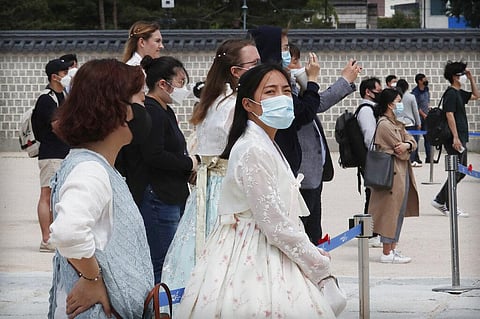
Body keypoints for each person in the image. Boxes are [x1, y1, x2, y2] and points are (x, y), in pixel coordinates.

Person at [177, 63, 335, 318]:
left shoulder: (264, 141)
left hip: (265, 245)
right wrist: (316, 262)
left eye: (285, 90)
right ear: (248, 104)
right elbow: (274, 225)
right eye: (269, 92)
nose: (281, 98)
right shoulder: (253, 149)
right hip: (255, 250)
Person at [47, 59, 154, 318]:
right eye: (139, 100)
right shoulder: (90, 170)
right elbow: (68, 232)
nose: (143, 109)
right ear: (117, 109)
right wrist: (92, 278)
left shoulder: (97, 165)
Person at [161, 39, 260, 296]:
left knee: (198, 248)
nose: (261, 68)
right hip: (228, 185)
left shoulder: (214, 100)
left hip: (207, 186)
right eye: (255, 64)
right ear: (236, 71)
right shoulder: (236, 104)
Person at [139, 55, 198, 284]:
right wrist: (189, 163)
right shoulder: (152, 111)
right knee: (162, 262)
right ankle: (158, 309)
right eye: (181, 82)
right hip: (158, 197)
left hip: (172, 192)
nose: (184, 88)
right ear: (163, 84)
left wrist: (187, 172)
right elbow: (154, 155)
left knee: (173, 259)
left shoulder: (165, 110)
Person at [368, 88, 419, 264]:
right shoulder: (384, 125)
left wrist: (407, 145)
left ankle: (393, 248)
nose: (400, 104)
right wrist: (406, 147)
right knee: (390, 213)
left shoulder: (396, 122)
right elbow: (402, 152)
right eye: (398, 100)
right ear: (390, 104)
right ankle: (387, 251)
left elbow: (410, 142)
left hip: (401, 173)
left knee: (399, 212)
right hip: (391, 174)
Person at [31, 58, 72, 252]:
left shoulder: (63, 95)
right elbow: (55, 126)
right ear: (54, 77)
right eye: (64, 73)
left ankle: (56, 235)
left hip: (63, 152)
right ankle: (46, 238)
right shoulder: (46, 98)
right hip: (50, 153)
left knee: (60, 196)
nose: (67, 76)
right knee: (47, 194)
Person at [431, 60, 479, 217]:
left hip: (461, 136)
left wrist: (471, 78)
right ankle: (449, 205)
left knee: (461, 171)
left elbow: (476, 95)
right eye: (463, 74)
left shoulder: (459, 93)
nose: (464, 76)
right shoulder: (451, 93)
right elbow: (449, 114)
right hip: (454, 137)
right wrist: (456, 137)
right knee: (456, 171)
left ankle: (440, 200)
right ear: (455, 77)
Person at [356, 77, 383, 248]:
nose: (380, 94)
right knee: (373, 195)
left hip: (373, 159)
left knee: (375, 194)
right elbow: (370, 137)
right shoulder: (366, 110)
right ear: (368, 92)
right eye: (378, 91)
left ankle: (373, 230)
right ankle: (371, 232)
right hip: (372, 159)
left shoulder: (372, 109)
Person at [395, 79, 422, 167]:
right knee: (412, 142)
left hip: (399, 122)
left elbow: (397, 111)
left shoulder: (396, 97)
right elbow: (415, 111)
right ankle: (412, 160)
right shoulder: (411, 97)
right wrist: (418, 123)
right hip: (410, 123)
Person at [412, 73, 432, 163]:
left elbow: (427, 101)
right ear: (419, 81)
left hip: (427, 117)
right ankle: (416, 157)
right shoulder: (415, 92)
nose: (426, 80)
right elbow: (416, 106)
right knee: (416, 138)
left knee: (428, 138)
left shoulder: (426, 89)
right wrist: (423, 115)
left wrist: (429, 108)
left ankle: (429, 157)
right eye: (424, 79)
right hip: (419, 118)